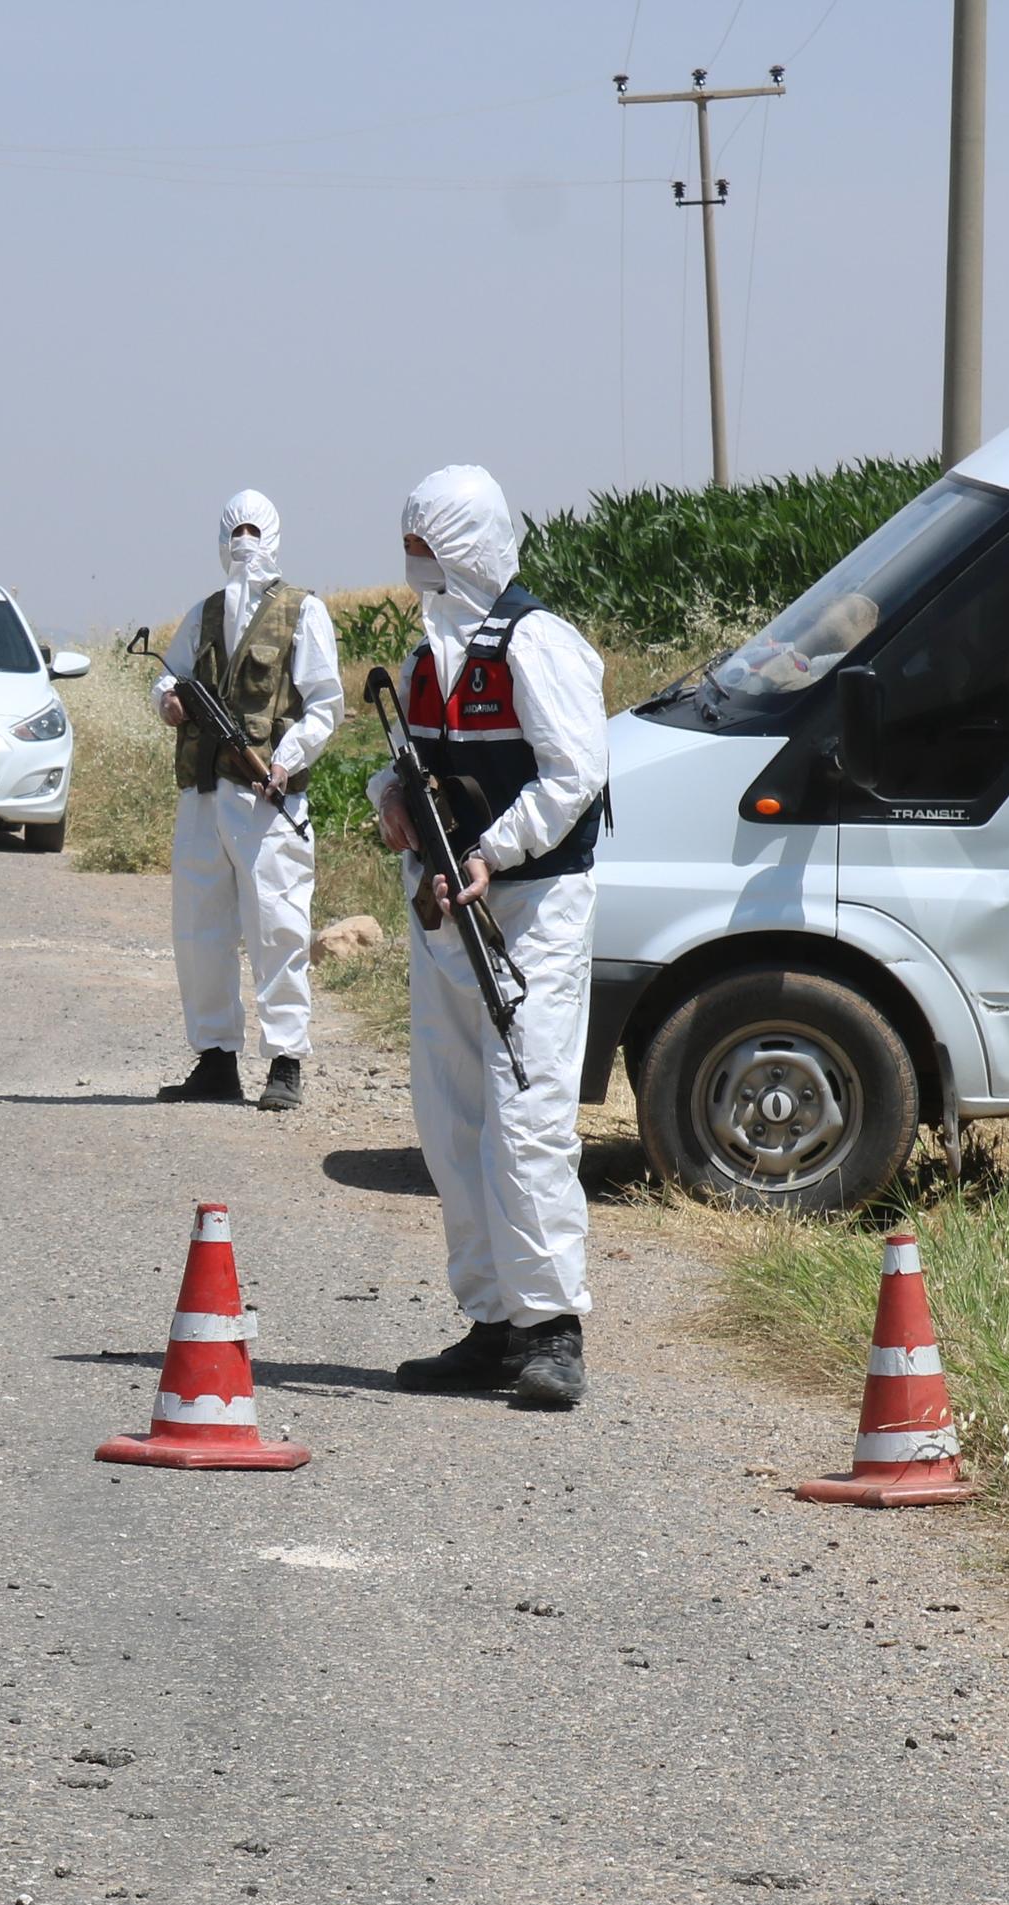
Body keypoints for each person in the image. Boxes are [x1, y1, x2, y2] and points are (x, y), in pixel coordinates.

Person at [370, 465, 606, 1411]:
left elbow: (573, 773)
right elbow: (410, 764)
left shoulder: (540, 645)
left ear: (465, 546)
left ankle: (553, 1329)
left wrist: (495, 854)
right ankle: (492, 1327)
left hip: (531, 909)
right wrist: (392, 801)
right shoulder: (429, 653)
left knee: (526, 1116)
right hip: (445, 912)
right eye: (411, 554)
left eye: (428, 553)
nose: (418, 572)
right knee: (452, 1117)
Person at [152, 489, 340, 1111]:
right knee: (199, 930)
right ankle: (215, 1059)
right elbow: (167, 677)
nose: (244, 541)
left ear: (275, 536)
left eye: (255, 530)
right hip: (204, 795)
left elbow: (325, 706)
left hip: (266, 798)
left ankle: (285, 1062)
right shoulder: (203, 613)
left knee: (278, 926)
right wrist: (169, 703)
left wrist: (284, 762)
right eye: (235, 529)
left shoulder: (302, 612)